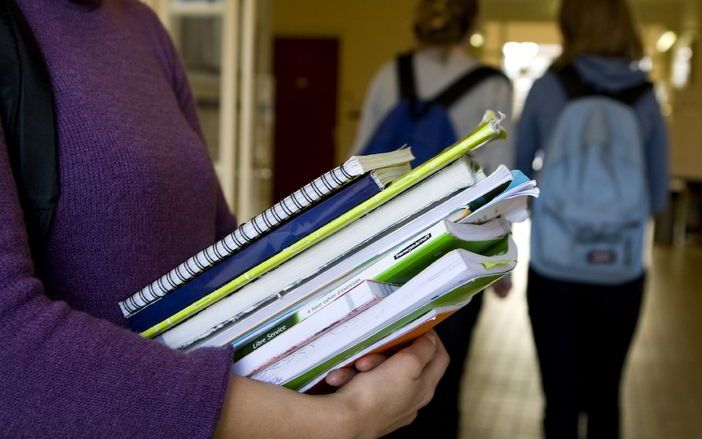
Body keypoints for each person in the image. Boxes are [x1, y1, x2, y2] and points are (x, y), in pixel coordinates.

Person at [0, 0, 449, 437]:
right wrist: (339, 423)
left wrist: (335, 329)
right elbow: (10, 348)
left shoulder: (142, 27)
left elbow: (217, 255)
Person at [351, 1, 514, 437]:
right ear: (473, 22)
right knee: (442, 382)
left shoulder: (391, 73)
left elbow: (357, 164)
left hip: (381, 252)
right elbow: (498, 184)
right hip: (454, 256)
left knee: (371, 375)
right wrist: (499, 265)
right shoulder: (493, 86)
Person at [516, 0, 669, 437]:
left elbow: (518, 180)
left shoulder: (549, 88)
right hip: (620, 269)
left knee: (559, 400)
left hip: (555, 269)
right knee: (606, 397)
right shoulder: (646, 94)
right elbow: (657, 195)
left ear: (569, 25)